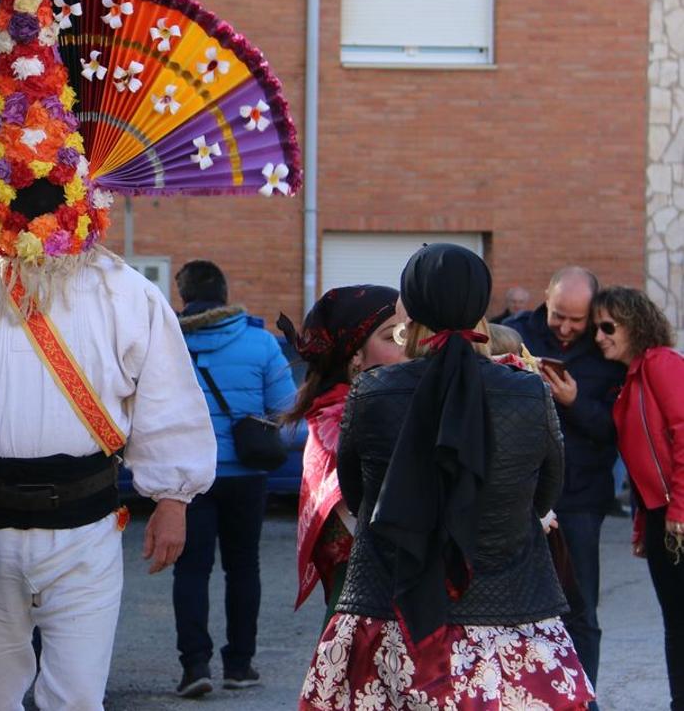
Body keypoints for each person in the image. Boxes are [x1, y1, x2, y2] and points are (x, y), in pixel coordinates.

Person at [0, 187, 217, 710]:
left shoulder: (123, 290)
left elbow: (166, 396)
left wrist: (174, 497)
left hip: (88, 527)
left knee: (77, 697)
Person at [301, 243, 593, 710]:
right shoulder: (528, 392)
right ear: (480, 305)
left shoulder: (372, 393)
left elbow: (359, 498)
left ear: (410, 312)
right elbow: (543, 496)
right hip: (512, 614)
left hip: (391, 612)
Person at [168, 260, 295, 697]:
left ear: (183, 297)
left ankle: (194, 667)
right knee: (243, 569)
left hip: (188, 474)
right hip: (247, 475)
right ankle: (240, 665)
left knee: (191, 570)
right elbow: (287, 412)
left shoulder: (167, 344)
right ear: (225, 293)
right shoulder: (260, 344)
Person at [508, 266, 623, 694]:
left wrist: (576, 403)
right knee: (514, 605)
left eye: (578, 319)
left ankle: (584, 696)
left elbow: (616, 429)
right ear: (545, 299)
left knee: (581, 609)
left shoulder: (607, 347)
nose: (568, 327)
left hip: (581, 497)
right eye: (559, 315)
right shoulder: (517, 332)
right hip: (520, 494)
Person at [277, 285, 404, 627]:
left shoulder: (378, 406)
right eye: (393, 337)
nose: (410, 347)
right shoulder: (342, 418)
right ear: (355, 356)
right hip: (368, 608)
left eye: (413, 333)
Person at [592, 286, 684, 709]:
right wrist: (641, 521)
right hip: (659, 512)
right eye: (597, 328)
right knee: (675, 620)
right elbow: (639, 459)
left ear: (635, 325)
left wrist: (677, 508)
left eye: (608, 327)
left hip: (677, 511)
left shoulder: (661, 364)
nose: (599, 336)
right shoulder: (632, 378)